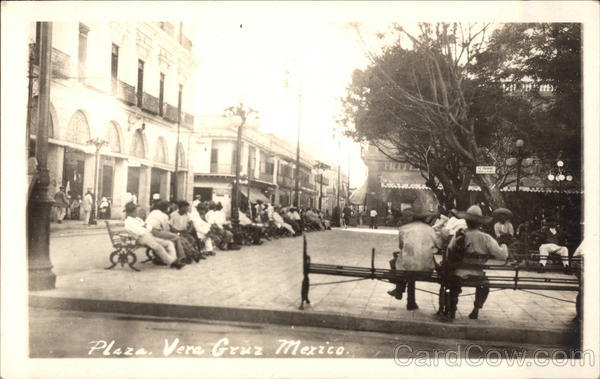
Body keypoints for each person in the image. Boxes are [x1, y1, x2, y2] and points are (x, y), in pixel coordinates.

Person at [441, 205, 508, 321]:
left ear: (466, 221)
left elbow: (449, 253)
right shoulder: (486, 238)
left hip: (458, 275)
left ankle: (452, 308)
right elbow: (502, 256)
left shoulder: (459, 235)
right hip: (478, 276)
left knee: (451, 285)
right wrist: (504, 246)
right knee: (485, 285)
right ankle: (476, 308)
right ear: (480, 223)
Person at [387, 206, 441, 310]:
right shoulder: (431, 230)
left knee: (399, 263)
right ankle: (409, 300)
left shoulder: (404, 229)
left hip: (408, 267)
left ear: (412, 217)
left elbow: (401, 246)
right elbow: (438, 245)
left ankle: (399, 289)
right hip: (426, 268)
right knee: (412, 264)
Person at [123, 202, 182, 269]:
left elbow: (149, 226)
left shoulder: (137, 219)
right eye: (136, 211)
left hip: (148, 236)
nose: (137, 212)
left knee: (169, 243)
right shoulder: (128, 221)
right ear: (131, 212)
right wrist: (145, 227)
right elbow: (140, 232)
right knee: (158, 247)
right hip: (141, 238)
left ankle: (174, 260)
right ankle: (172, 262)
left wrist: (145, 227)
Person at [146, 200, 190, 264]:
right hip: (156, 232)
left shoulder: (154, 212)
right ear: (166, 208)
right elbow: (166, 229)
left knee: (173, 237)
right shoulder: (164, 216)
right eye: (169, 207)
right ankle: (182, 257)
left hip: (148, 231)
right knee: (177, 237)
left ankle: (177, 256)